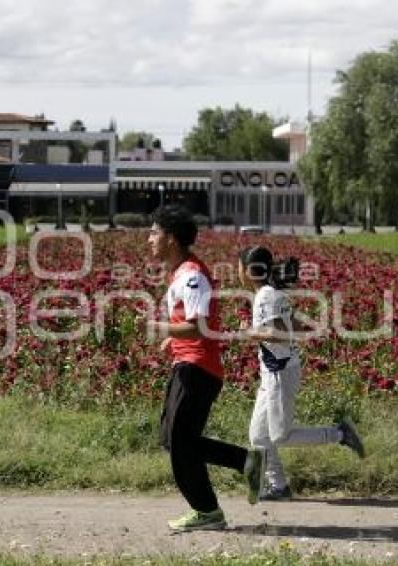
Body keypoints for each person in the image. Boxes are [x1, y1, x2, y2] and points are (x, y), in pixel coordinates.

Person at [146, 205, 262, 532]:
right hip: (190, 365)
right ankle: (240, 468)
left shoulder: (192, 275)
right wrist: (172, 339)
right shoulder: (182, 272)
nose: (149, 239)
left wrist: (161, 329)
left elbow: (198, 327)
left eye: (154, 232)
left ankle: (211, 507)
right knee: (176, 440)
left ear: (171, 238)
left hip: (198, 368)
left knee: (180, 442)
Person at [236, 245, 365, 501]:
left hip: (279, 375)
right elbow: (293, 327)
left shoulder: (265, 296)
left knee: (278, 436)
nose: (236, 271)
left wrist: (247, 333)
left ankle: (339, 434)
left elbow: (277, 335)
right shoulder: (272, 294)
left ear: (249, 271)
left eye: (238, 266)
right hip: (277, 371)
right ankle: (279, 487)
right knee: (257, 436)